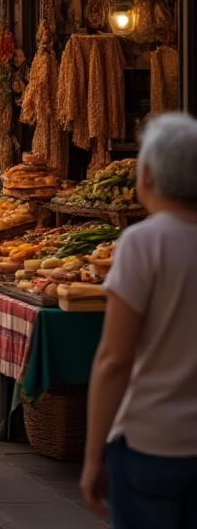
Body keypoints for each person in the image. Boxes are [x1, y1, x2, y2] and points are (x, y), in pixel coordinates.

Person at [80, 113, 197, 526]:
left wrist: (93, 456)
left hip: (153, 441)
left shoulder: (144, 242)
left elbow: (114, 358)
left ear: (146, 175)